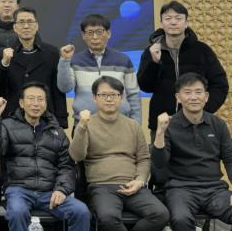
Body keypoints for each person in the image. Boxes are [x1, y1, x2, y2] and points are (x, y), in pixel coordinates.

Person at [0, 82, 90, 231]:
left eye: (40, 99)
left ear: (46, 104)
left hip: (50, 191)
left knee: (81, 211)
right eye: (31, 98)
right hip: (18, 189)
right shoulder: (7, 126)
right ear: (21, 103)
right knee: (17, 212)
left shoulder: (57, 132)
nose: (36, 104)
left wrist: (61, 189)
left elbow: (67, 166)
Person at [69, 76, 169, 231]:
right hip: (101, 187)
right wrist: (81, 126)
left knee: (160, 214)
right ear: (94, 98)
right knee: (108, 218)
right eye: (103, 95)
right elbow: (77, 156)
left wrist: (140, 180)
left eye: (114, 95)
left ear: (121, 98)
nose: (109, 99)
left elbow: (143, 158)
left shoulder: (133, 126)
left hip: (133, 185)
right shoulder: (86, 125)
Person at [152, 73, 232, 231]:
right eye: (187, 92)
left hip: (215, 189)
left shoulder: (218, 124)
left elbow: (230, 158)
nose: (194, 97)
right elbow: (159, 163)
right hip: (180, 189)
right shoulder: (169, 125)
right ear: (178, 97)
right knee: (180, 219)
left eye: (198, 92)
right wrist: (160, 133)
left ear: (206, 96)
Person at [137, 0, 228, 132]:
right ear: (161, 23)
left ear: (186, 23)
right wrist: (154, 63)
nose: (173, 22)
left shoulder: (202, 50)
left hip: (197, 124)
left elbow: (220, 85)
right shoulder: (151, 51)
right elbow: (145, 86)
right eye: (168, 18)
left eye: (178, 18)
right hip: (163, 124)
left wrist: (202, 111)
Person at [58, 13, 141, 125]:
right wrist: (65, 60)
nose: (95, 37)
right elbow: (64, 88)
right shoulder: (75, 60)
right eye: (90, 33)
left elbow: (133, 94)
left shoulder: (123, 60)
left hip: (120, 124)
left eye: (99, 32)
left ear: (108, 33)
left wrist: (136, 124)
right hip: (84, 124)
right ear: (83, 35)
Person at [0, 7, 68, 128]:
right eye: (21, 22)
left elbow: (57, 91)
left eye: (30, 22)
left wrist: (61, 121)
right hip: (14, 119)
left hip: (45, 118)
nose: (26, 26)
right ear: (15, 27)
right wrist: (4, 64)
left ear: (37, 26)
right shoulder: (4, 54)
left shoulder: (51, 53)